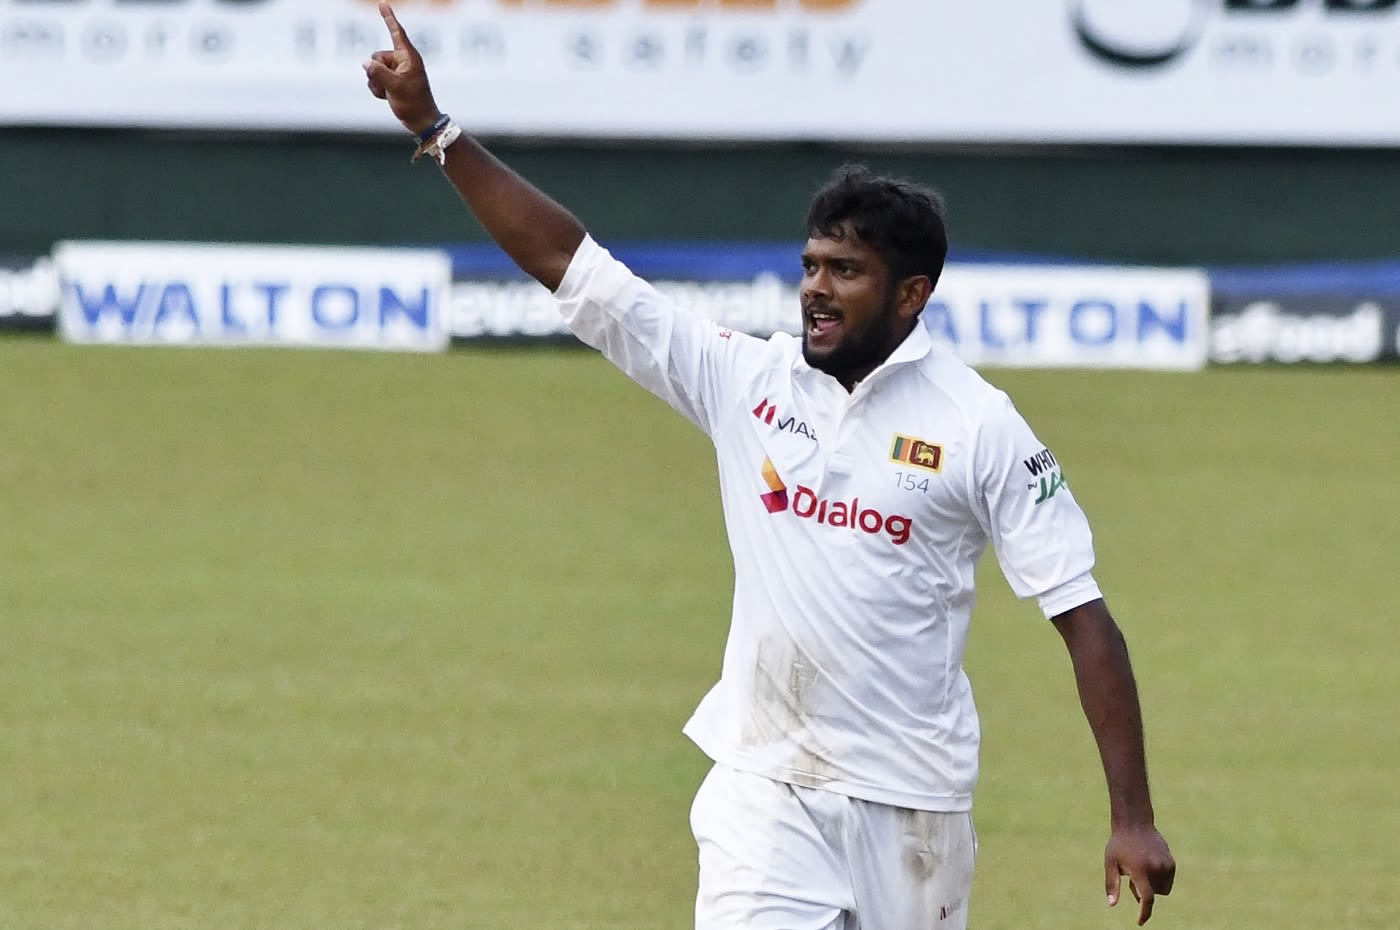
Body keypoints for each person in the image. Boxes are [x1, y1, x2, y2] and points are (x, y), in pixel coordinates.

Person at [364, 3, 1176, 927]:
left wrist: (1132, 817)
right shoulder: (745, 379)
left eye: (846, 272)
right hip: (764, 786)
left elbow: (1084, 620)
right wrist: (437, 130)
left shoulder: (980, 426)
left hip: (913, 811)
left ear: (912, 295)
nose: (815, 291)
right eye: (811, 266)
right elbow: (573, 266)